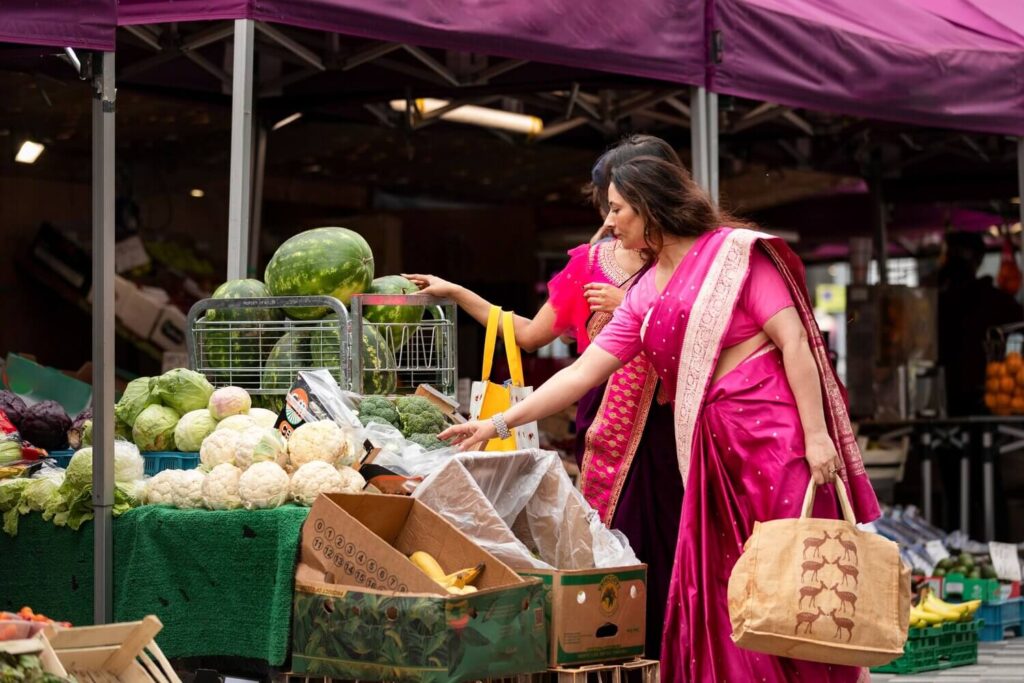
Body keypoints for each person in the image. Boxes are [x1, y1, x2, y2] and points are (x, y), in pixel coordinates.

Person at [440, 154, 880, 682]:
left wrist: (816, 436)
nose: (610, 222)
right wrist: (496, 425)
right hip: (709, 446)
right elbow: (580, 375)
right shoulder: (645, 293)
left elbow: (794, 345)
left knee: (791, 577)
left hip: (773, 436)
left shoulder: (735, 256)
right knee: (726, 584)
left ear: (650, 209)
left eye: (619, 209)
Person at [405, 134, 685, 658]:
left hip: (672, 423)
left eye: (620, 203)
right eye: (609, 201)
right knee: (611, 535)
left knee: (674, 536)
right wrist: (458, 293)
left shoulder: (686, 262)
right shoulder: (588, 263)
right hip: (604, 423)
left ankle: (676, 652)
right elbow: (531, 335)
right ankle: (620, 647)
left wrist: (632, 305)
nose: (611, 216)